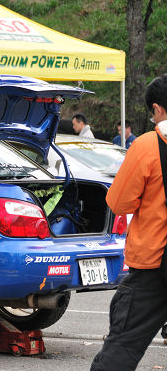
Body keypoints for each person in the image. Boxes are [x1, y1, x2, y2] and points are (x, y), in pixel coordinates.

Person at [90, 74, 167, 370]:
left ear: (158, 109)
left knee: (123, 344)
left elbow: (119, 203)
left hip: (154, 265)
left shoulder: (148, 146)